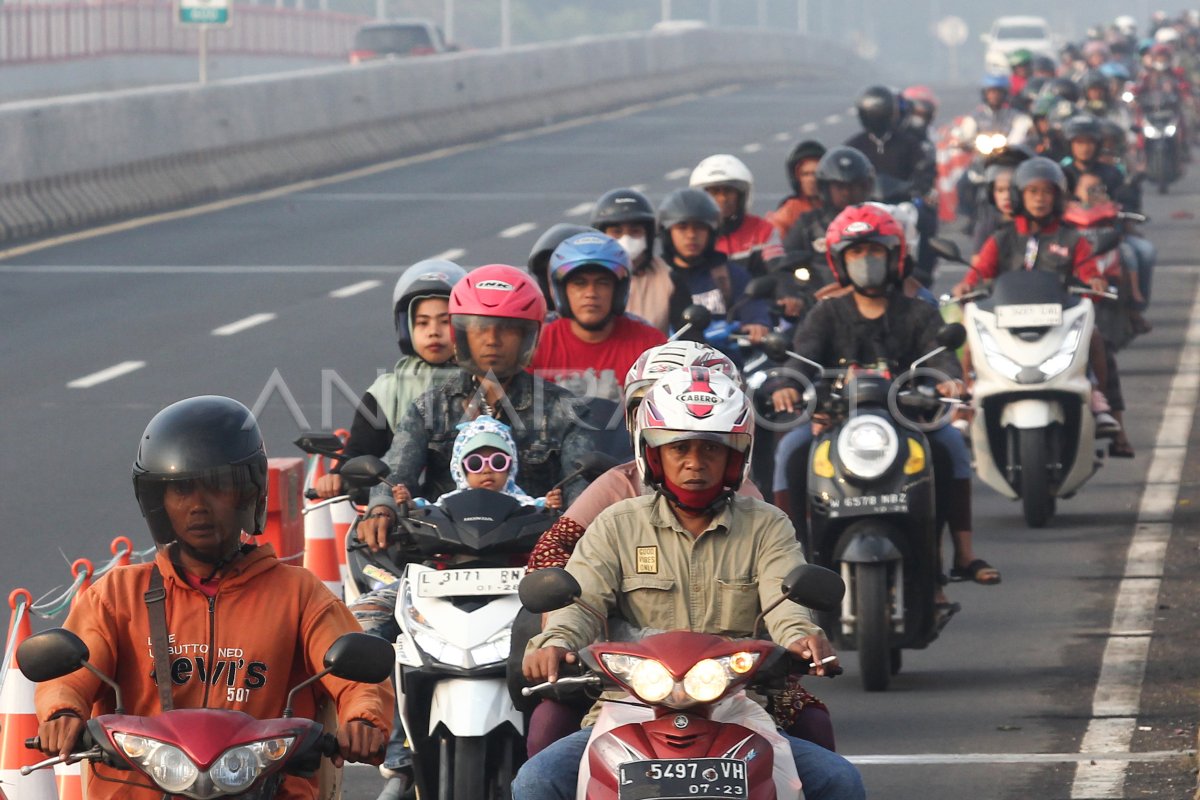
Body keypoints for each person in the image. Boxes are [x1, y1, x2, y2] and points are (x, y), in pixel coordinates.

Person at [512, 368, 865, 800]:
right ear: (654, 455)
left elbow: (785, 598)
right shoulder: (616, 525)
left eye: (711, 450)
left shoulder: (767, 526)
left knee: (840, 782)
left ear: (736, 458)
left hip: (736, 708)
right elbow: (579, 601)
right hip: (628, 709)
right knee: (536, 782)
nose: (694, 462)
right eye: (679, 447)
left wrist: (802, 639)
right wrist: (556, 642)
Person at [34, 396, 394, 800]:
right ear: (159, 501)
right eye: (182, 490)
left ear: (250, 494)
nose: (198, 506)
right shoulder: (117, 595)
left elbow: (357, 676)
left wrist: (363, 719)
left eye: (217, 488)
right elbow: (68, 674)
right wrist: (62, 712)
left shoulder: (298, 593)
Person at [768, 205, 998, 597]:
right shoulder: (826, 313)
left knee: (950, 448)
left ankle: (960, 555)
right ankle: (788, 567)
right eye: (856, 252)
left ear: (896, 256)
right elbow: (800, 357)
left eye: (875, 251)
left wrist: (950, 381)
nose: (867, 260)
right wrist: (786, 384)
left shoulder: (918, 311)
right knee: (790, 451)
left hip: (906, 420)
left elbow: (940, 354)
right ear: (840, 261)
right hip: (837, 421)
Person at [360, 264, 599, 550]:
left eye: (507, 329)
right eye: (479, 328)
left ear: (528, 336)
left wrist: (575, 530)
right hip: (442, 554)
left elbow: (580, 491)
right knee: (375, 593)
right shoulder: (430, 406)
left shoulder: (565, 409)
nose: (491, 340)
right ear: (461, 334)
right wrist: (381, 508)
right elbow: (398, 470)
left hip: (533, 555)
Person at [315, 261, 466, 499]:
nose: (433, 331)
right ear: (407, 328)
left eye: (444, 321)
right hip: (404, 513)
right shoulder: (388, 391)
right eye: (422, 322)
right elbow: (361, 451)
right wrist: (339, 475)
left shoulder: (483, 382)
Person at [529, 231, 666, 402]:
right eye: (579, 283)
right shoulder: (537, 344)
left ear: (618, 290)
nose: (591, 293)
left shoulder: (649, 346)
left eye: (603, 283)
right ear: (562, 291)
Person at [845, 85, 939, 285]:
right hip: (864, 205)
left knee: (927, 219)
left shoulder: (910, 143)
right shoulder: (853, 146)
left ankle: (924, 269)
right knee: (838, 224)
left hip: (902, 203)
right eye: (873, 113)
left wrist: (919, 187)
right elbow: (844, 174)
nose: (877, 118)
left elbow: (925, 170)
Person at [658, 187, 771, 349]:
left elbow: (752, 307)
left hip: (724, 366)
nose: (691, 235)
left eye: (699, 227)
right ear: (667, 233)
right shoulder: (657, 276)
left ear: (712, 232)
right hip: (665, 365)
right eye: (682, 227)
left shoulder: (729, 274)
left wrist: (757, 324)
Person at [395, 415, 563, 510]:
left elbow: (537, 508)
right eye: (475, 464)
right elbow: (429, 511)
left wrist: (549, 504)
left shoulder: (520, 501)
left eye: (498, 462)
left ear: (510, 468)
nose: (487, 470)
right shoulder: (451, 502)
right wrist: (409, 504)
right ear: (461, 470)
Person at [782, 145, 876, 284]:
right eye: (839, 187)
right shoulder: (808, 223)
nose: (846, 193)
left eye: (853, 186)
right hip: (818, 297)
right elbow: (785, 262)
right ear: (825, 188)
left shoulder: (880, 221)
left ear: (865, 187)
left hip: (872, 293)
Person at [589, 187, 674, 333]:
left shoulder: (670, 278)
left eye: (635, 231)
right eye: (617, 232)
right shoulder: (587, 278)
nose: (626, 238)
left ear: (648, 235)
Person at [689, 153, 784, 276]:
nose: (722, 198)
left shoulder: (762, 231)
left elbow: (779, 271)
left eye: (728, 191)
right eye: (715, 192)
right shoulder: (691, 235)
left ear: (741, 195)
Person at [766, 139, 826, 238]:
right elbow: (773, 232)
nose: (811, 180)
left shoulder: (837, 203)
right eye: (805, 174)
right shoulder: (791, 209)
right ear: (797, 177)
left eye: (815, 174)